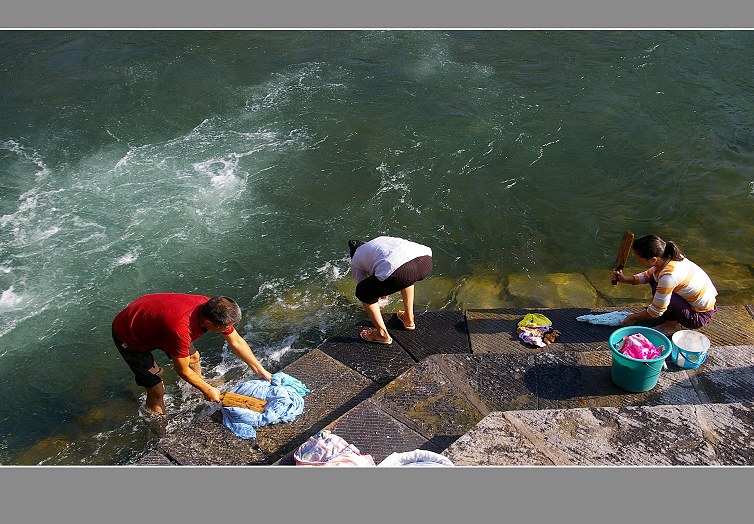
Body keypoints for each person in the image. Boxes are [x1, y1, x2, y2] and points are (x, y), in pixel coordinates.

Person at [112, 293, 272, 415]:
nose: (227, 330)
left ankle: (196, 392)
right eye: (224, 328)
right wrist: (208, 390)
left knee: (194, 358)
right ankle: (157, 425)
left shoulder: (213, 308)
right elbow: (181, 370)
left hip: (155, 322)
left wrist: (259, 369)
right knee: (156, 389)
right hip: (130, 334)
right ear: (209, 323)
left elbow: (236, 341)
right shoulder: (181, 330)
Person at [611, 234, 717, 336]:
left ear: (653, 259)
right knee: (655, 281)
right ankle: (673, 318)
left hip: (698, 316)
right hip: (698, 305)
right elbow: (649, 274)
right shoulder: (670, 257)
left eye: (639, 260)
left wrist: (633, 317)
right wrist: (625, 279)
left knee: (661, 294)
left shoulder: (669, 277)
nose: (637, 261)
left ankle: (671, 326)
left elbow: (656, 311)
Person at [348, 236, 433, 345]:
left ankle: (382, 334)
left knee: (363, 292)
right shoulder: (377, 243)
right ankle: (408, 318)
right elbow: (387, 266)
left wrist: (377, 299)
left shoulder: (356, 259)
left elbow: (365, 287)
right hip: (425, 260)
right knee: (406, 276)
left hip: (401, 270)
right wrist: (384, 292)